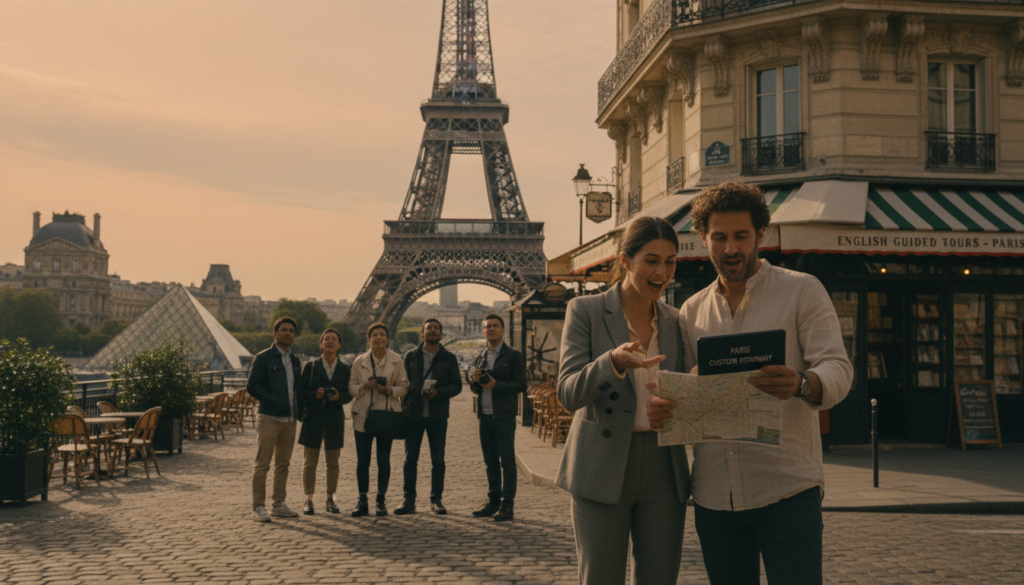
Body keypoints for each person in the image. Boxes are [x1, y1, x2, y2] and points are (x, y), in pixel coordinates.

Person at [648, 181, 853, 585]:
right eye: (719, 237)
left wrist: (802, 383)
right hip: (714, 496)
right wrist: (665, 406)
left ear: (761, 234)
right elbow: (687, 389)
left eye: (741, 236)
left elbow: (838, 369)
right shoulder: (691, 310)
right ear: (703, 237)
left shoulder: (802, 290)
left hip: (787, 490)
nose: (730, 249)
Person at [556, 216, 690, 585]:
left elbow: (692, 391)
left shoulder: (678, 321)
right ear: (625, 261)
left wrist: (682, 402)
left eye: (670, 261)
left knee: (660, 578)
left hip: (665, 468)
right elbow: (568, 393)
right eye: (651, 260)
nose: (662, 271)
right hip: (601, 464)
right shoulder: (586, 311)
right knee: (600, 577)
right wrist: (611, 363)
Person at [395, 318, 463, 515]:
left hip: (438, 416)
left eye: (436, 328)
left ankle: (436, 499)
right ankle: (408, 499)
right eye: (428, 328)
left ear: (441, 335)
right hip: (413, 415)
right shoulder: (410, 356)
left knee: (438, 460)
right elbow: (403, 383)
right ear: (422, 334)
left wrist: (437, 393)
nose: (432, 331)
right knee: (410, 460)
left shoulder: (449, 358)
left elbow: (457, 385)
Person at [247, 317, 306, 522]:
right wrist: (274, 401)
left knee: (283, 464)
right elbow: (252, 385)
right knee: (262, 463)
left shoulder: (295, 360)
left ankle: (279, 504)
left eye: (291, 330)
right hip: (269, 417)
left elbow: (297, 389)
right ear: (275, 334)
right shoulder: (263, 358)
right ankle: (258, 506)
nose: (288, 333)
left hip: (290, 419)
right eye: (283, 330)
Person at [469, 313, 527, 521]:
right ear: (483, 332)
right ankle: (493, 501)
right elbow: (476, 390)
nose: (491, 329)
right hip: (484, 416)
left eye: (495, 326)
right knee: (490, 462)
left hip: (503, 416)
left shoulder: (513, 355)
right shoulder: (480, 356)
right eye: (488, 327)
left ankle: (507, 504)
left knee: (508, 462)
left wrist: (496, 385)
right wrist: (475, 381)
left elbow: (521, 384)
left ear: (503, 330)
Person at [348, 322, 409, 517]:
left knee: (384, 460)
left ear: (387, 339)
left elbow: (404, 386)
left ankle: (381, 499)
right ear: (369, 339)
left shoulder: (397, 360)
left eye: (382, 334)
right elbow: (351, 387)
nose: (379, 338)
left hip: (386, 416)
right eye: (375, 335)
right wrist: (363, 387)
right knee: (362, 461)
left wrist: (389, 389)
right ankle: (362, 499)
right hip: (363, 417)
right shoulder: (359, 361)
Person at [297, 328, 352, 515]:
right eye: (326, 339)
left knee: (333, 463)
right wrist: (315, 394)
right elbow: (301, 393)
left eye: (333, 339)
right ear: (321, 345)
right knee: (309, 463)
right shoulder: (310, 367)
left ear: (339, 345)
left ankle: (330, 497)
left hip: (334, 419)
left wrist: (339, 397)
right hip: (313, 419)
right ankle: (309, 499)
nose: (329, 342)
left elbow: (348, 394)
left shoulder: (345, 369)